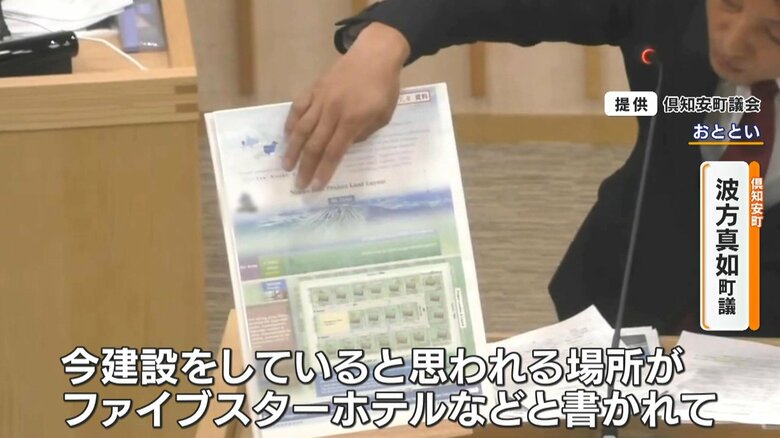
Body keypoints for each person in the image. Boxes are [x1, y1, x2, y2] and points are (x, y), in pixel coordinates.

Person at [282, 0, 780, 335]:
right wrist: (383, 44)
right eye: (729, 4)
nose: (733, 42)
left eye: (774, 31)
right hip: (634, 291)